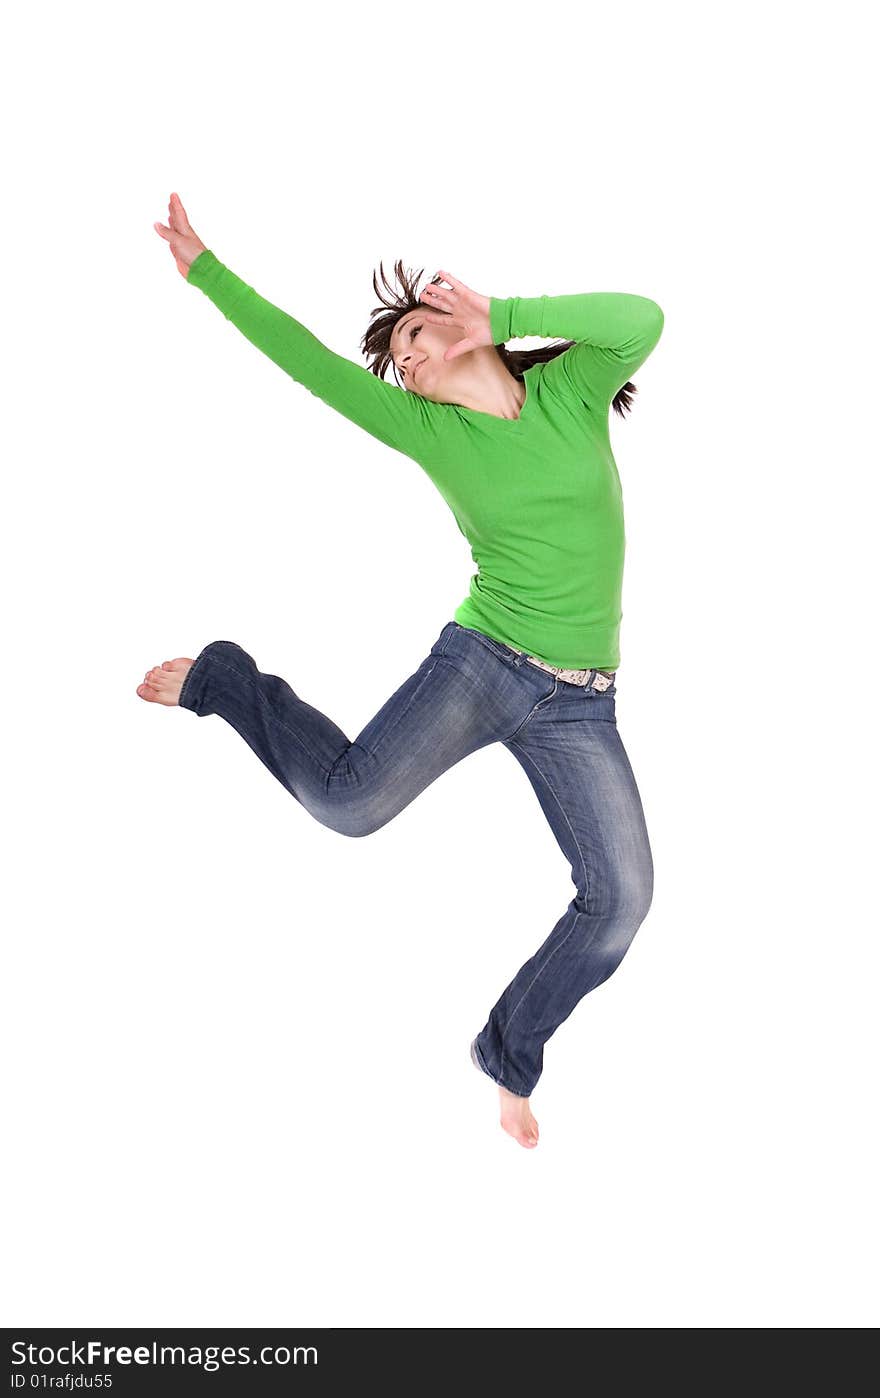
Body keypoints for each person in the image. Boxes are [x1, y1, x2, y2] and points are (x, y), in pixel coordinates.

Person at [141, 192, 664, 1149]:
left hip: (581, 706)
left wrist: (504, 315)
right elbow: (304, 359)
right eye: (401, 360)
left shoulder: (572, 391)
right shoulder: (430, 430)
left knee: (622, 899)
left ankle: (508, 1054)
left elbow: (645, 319)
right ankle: (227, 681)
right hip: (486, 662)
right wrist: (206, 269)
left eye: (418, 333)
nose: (408, 357)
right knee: (348, 805)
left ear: (467, 329)